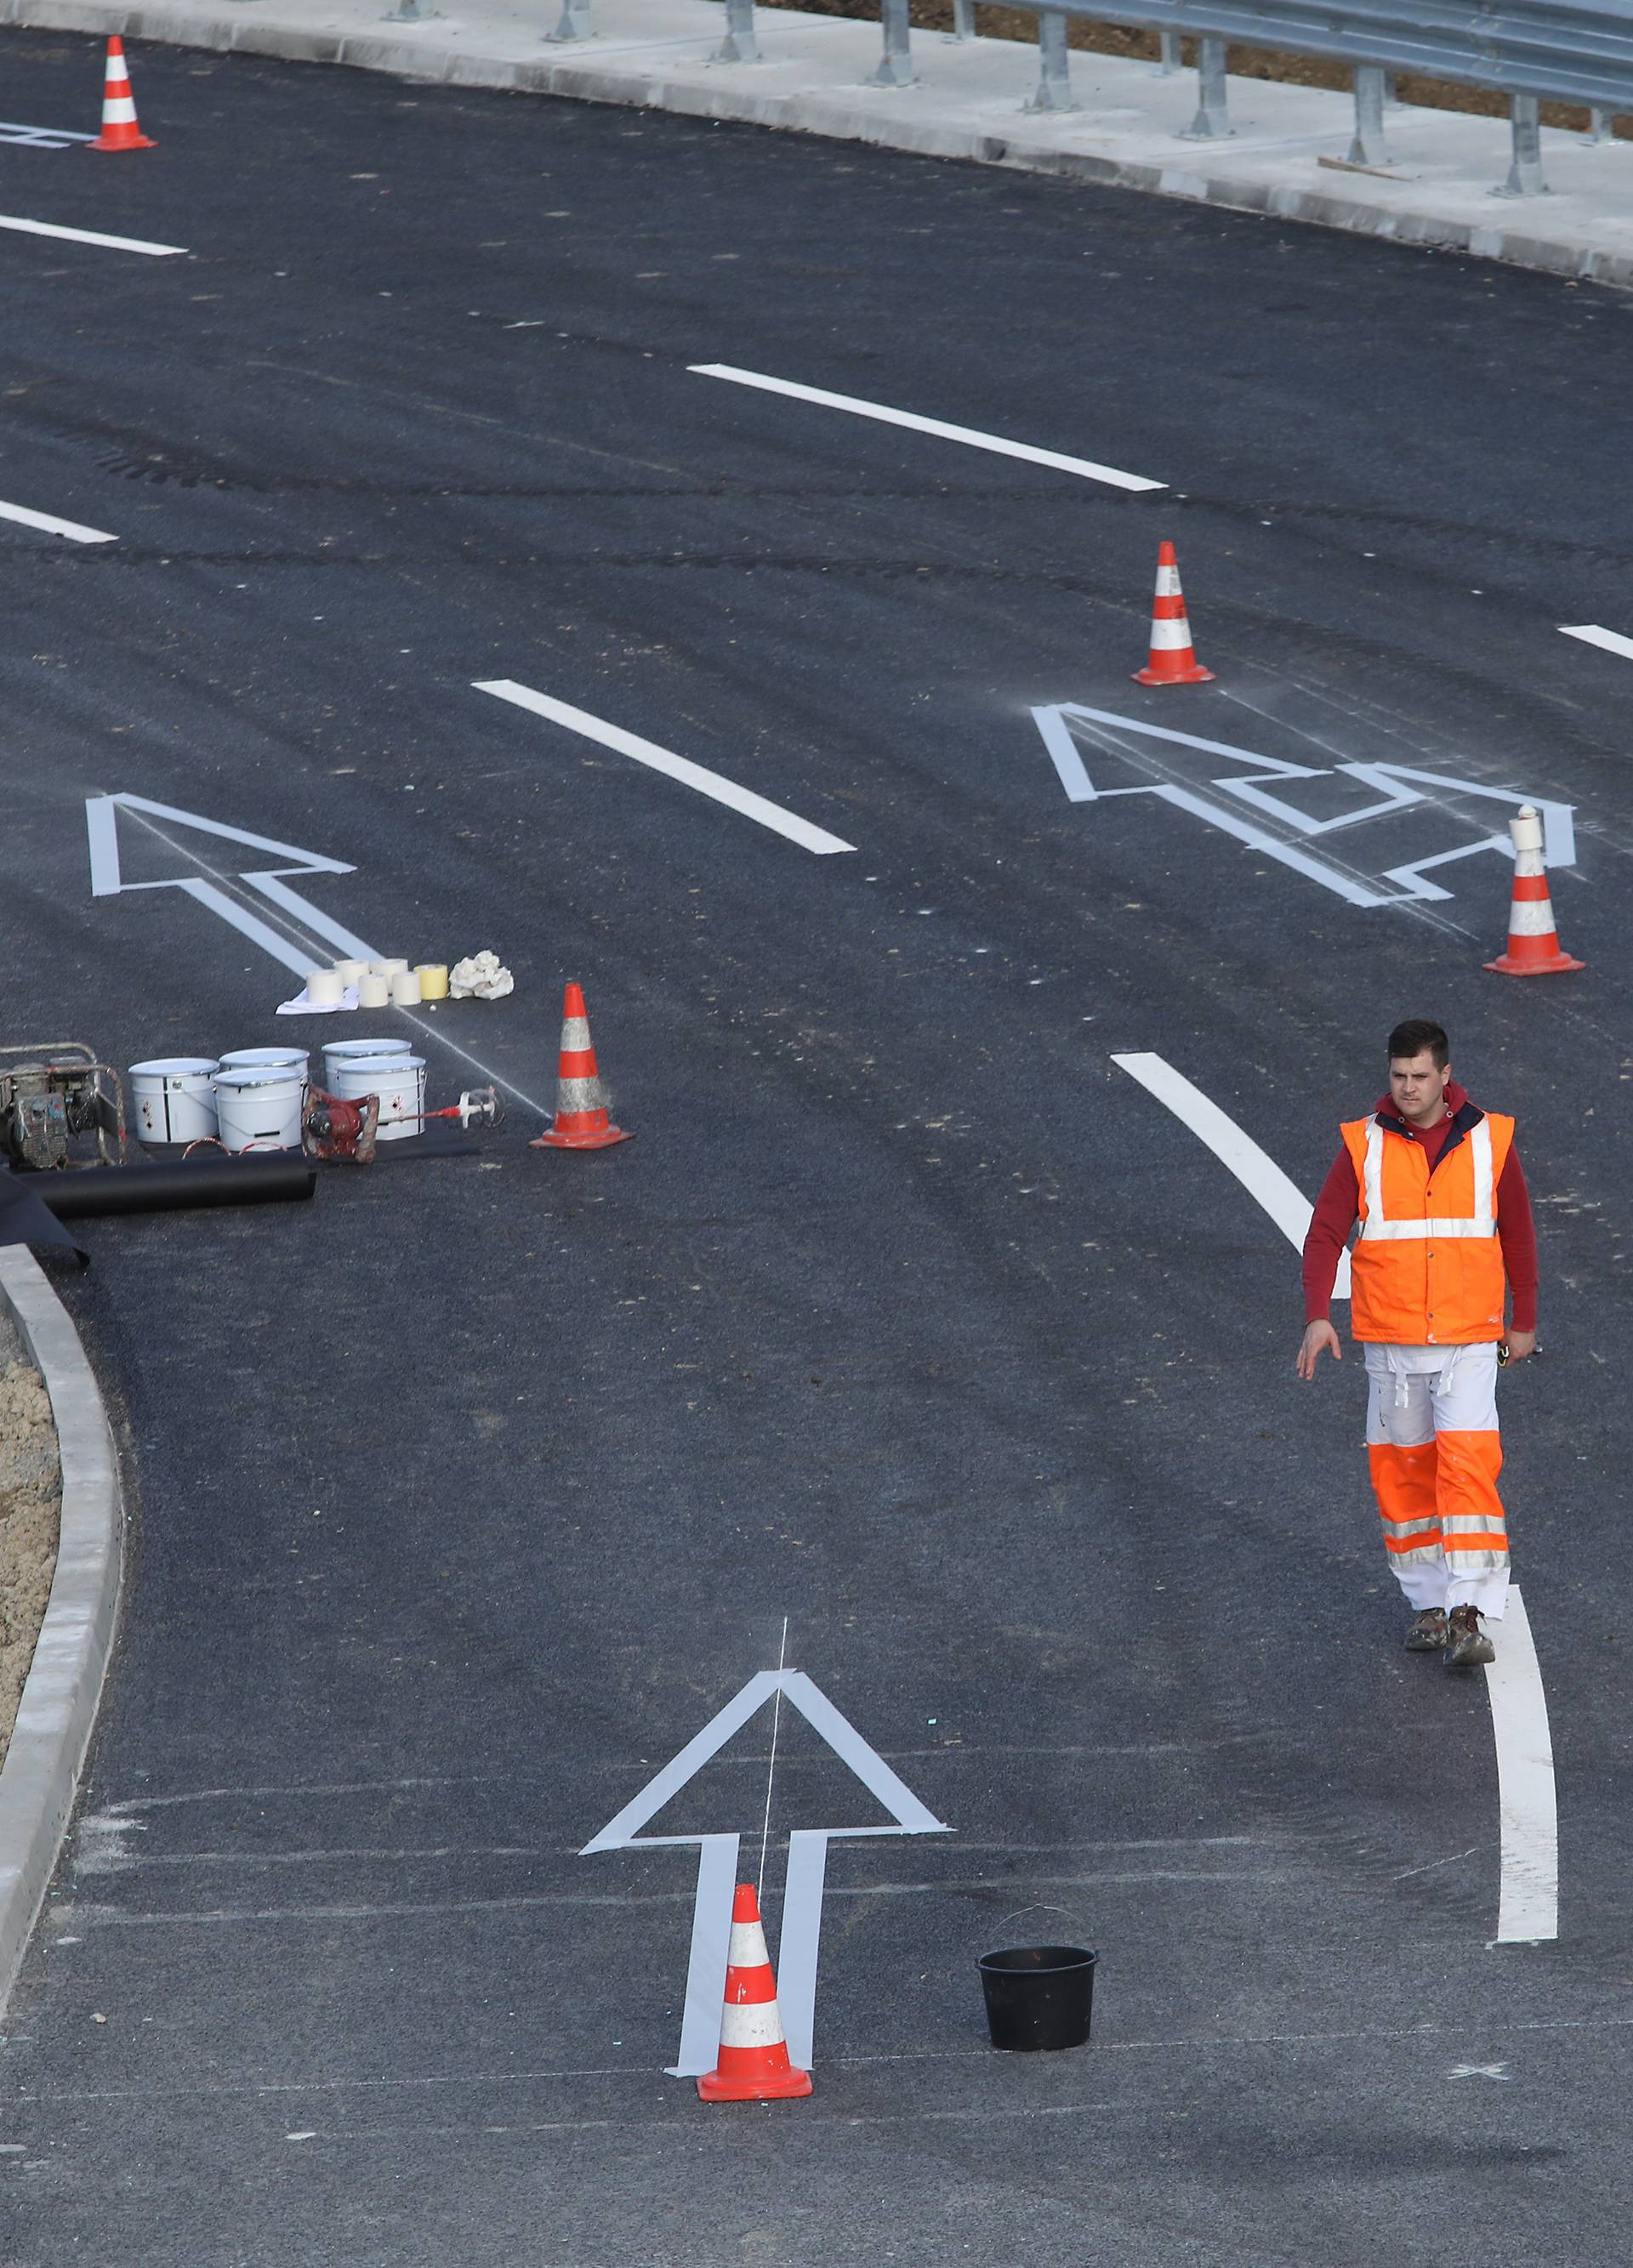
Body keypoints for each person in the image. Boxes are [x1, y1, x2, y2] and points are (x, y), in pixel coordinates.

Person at [1296, 1020, 1537, 1667]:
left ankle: (1469, 1611)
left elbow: (1517, 1231)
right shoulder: (1362, 1146)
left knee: (1466, 1467)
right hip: (1393, 1346)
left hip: (1467, 1340)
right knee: (1402, 1477)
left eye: (1420, 1076)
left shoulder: (1491, 1140)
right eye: (1399, 1076)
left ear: (1445, 1077)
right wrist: (1318, 1314)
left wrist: (1525, 1319)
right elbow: (1324, 1234)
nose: (1408, 1088)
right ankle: (1428, 1604)